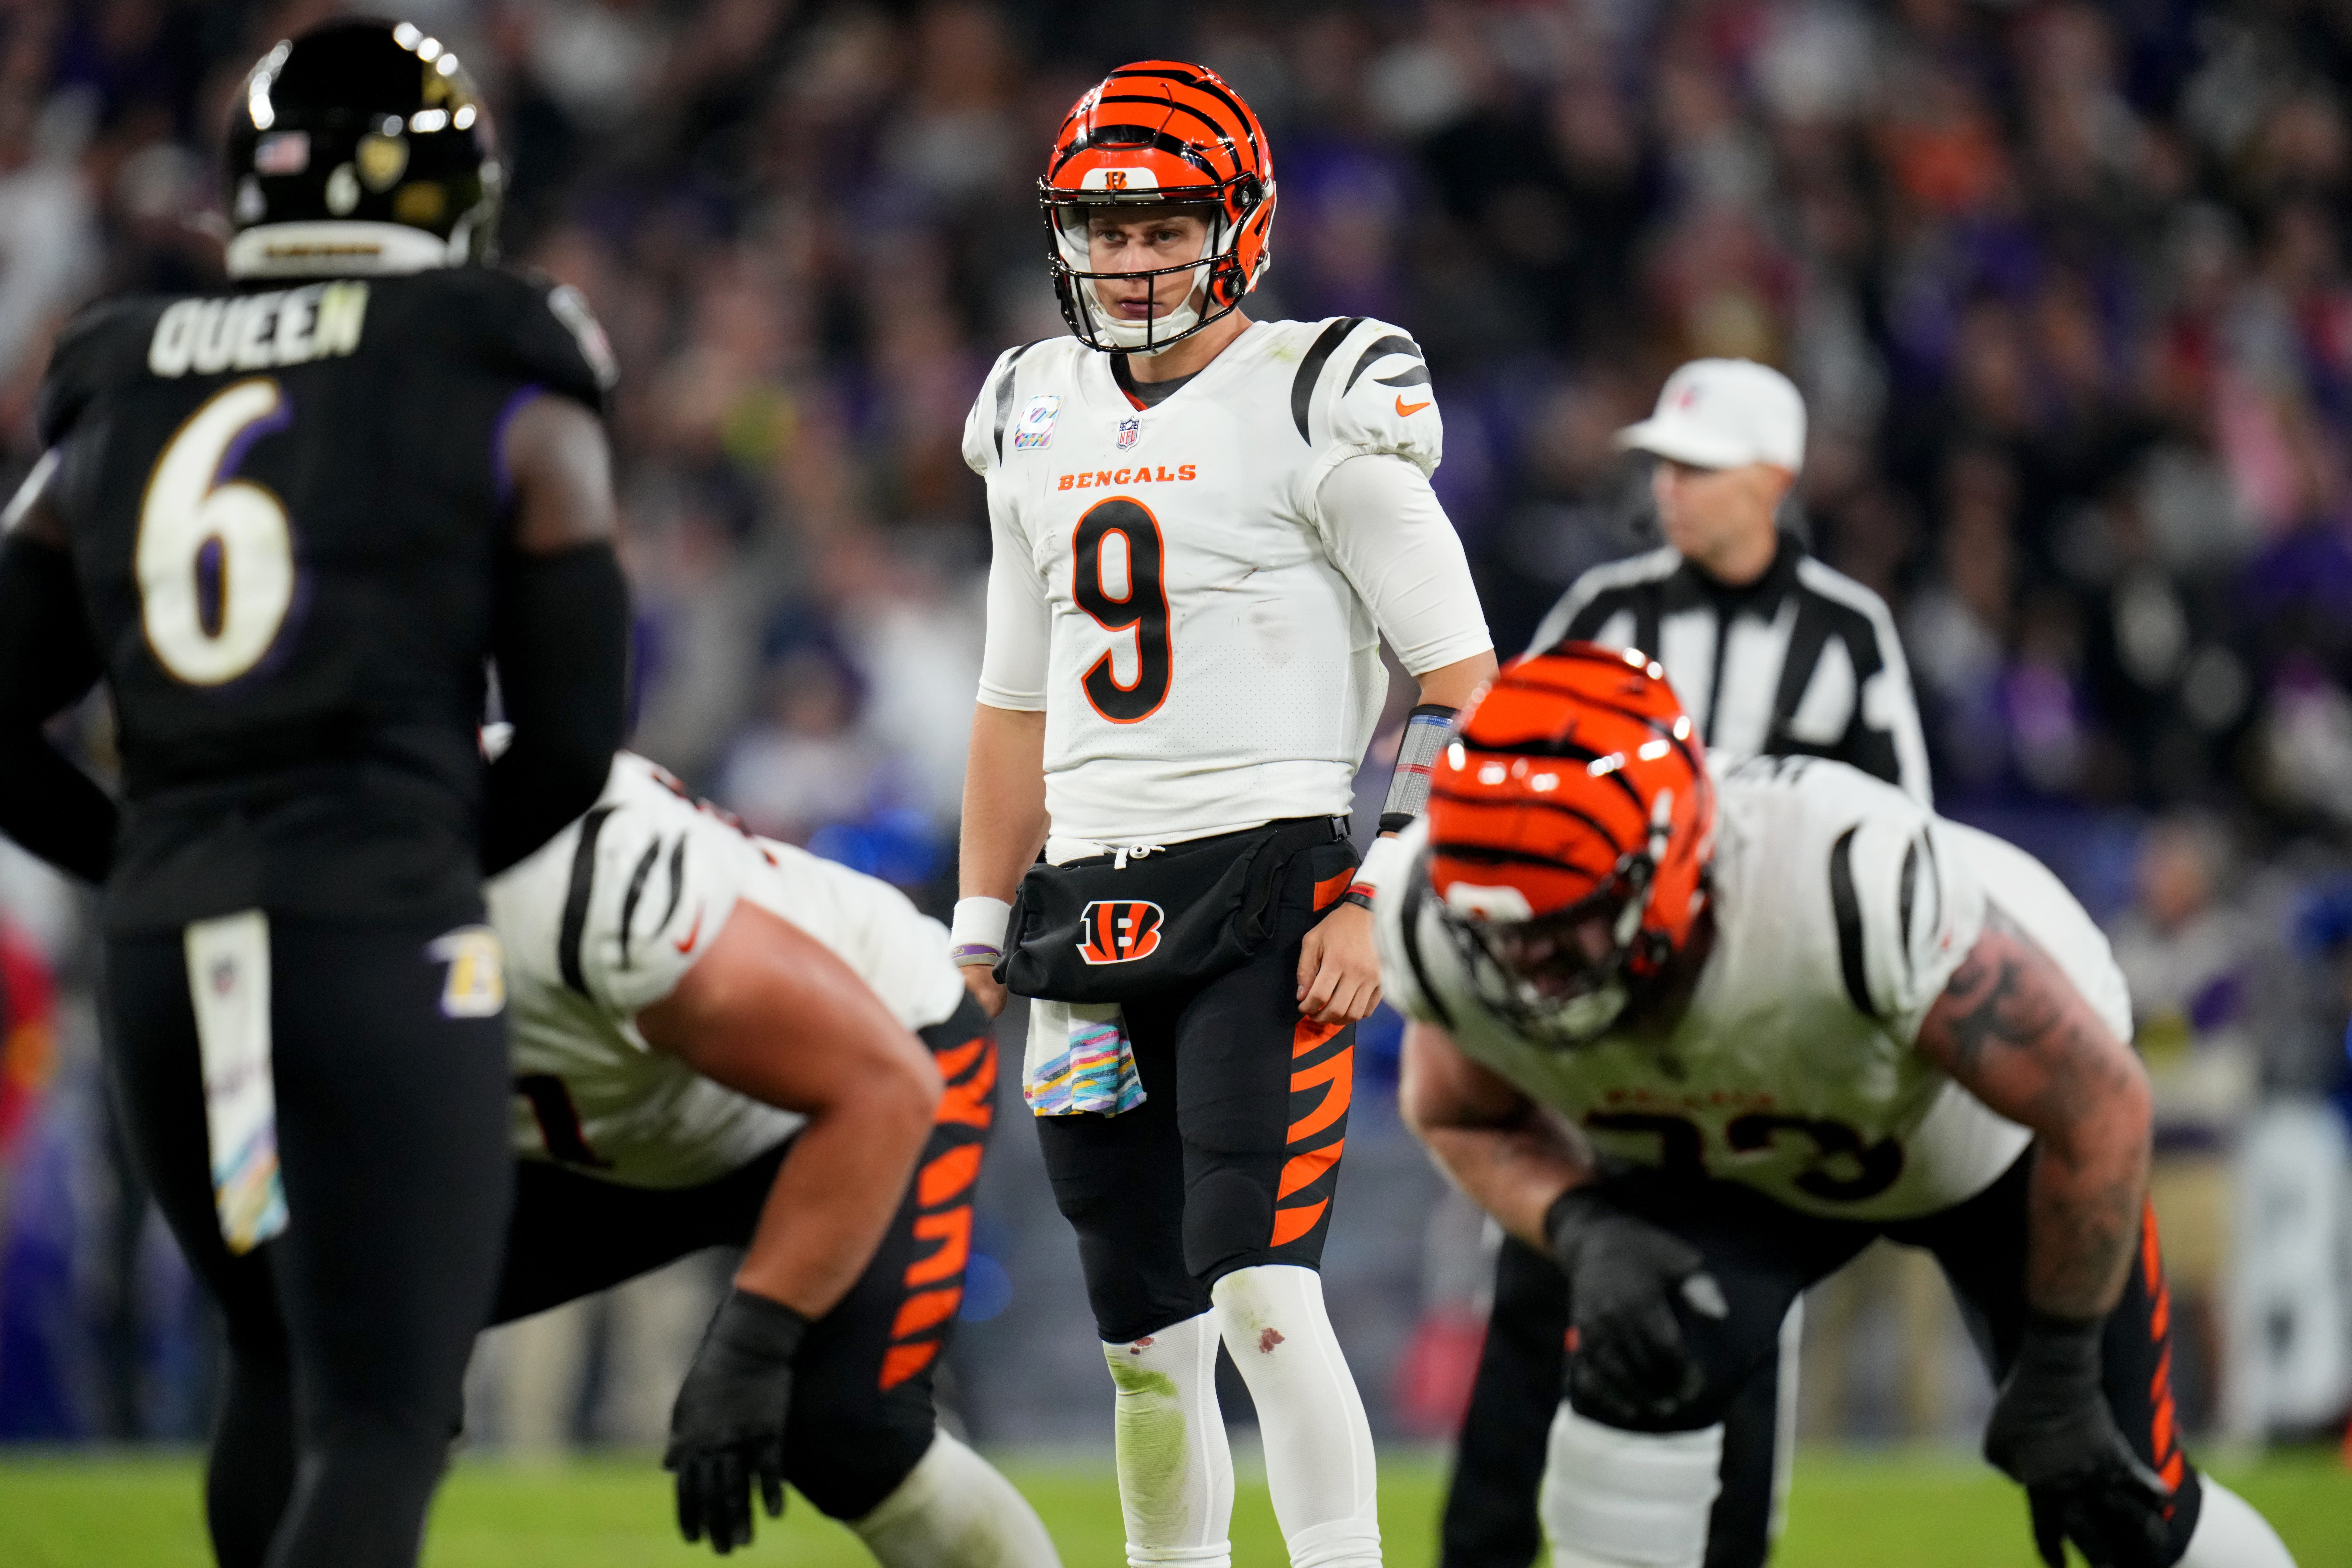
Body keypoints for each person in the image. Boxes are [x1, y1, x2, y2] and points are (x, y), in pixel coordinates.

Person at [0, 22, 628, 1567]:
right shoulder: (502, 352)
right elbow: (568, 735)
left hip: (172, 963)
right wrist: (411, 867)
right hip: (371, 942)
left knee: (272, 1351)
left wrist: (141, 855)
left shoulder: (120, 366)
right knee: (385, 1408)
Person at [1380, 645, 2298, 1568]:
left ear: (1666, 863)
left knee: (2125, 1501)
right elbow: (1459, 1111)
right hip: (1735, 1151)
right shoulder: (1441, 925)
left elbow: (2098, 1103)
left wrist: (2058, 1369)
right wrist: (1577, 1223)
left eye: (1559, 922)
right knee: (1640, 1360)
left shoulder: (1844, 882)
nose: (1523, 966)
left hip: (1983, 1136)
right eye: (1494, 930)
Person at [951, 60, 1496, 1568]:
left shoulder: (1318, 389)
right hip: (1079, 904)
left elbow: (1461, 674)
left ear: (1239, 225)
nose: (1129, 263)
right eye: (1102, 233)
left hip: (1266, 882)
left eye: (1163, 228)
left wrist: (1381, 887)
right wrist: (980, 922)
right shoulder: (1030, 408)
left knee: (1263, 1289)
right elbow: (1010, 701)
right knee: (1142, 1333)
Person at [1449, 357, 1930, 1567]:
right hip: (1595, 1012)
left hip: (1758, 1027)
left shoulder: (1846, 629)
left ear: (1772, 480)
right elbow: (1502, 757)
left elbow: (1898, 833)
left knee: (1741, 1309)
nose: (1669, 488)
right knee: (1537, 1288)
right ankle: (1484, 1551)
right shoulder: (1607, 609)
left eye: (1696, 468)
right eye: (1661, 466)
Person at [483, 750, 1059, 1565]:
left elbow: (881, 1088)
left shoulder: (586, 877)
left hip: (875, 1063)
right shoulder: (295, 870)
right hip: (628, 1123)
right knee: (329, 1338)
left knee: (848, 1430)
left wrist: (755, 1340)